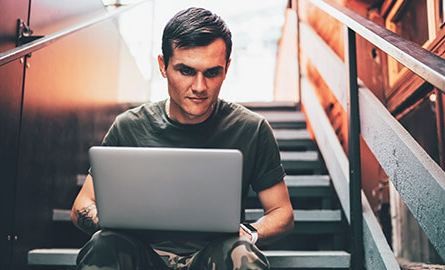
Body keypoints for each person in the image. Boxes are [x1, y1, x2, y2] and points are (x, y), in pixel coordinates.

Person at [71, 7, 294, 269]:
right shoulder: (129, 127)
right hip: (142, 255)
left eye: (212, 72)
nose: (200, 87)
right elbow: (82, 206)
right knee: (104, 243)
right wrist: (111, 224)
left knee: (241, 253)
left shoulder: (251, 129)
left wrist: (251, 233)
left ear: (227, 68)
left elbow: (282, 213)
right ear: (163, 66)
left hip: (214, 256)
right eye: (186, 71)